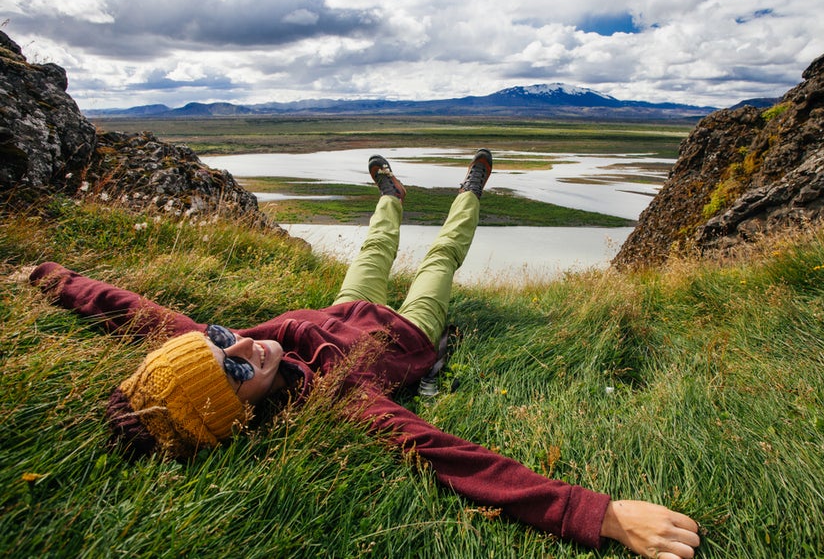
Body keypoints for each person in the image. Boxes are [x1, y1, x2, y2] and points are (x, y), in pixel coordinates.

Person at [26, 150, 700, 559]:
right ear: (236, 414)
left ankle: (390, 198)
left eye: (219, 337)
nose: (245, 344)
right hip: (408, 328)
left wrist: (46, 275)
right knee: (440, 258)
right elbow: (446, 455)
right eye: (237, 368)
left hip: (346, 305)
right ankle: (469, 192)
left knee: (375, 248)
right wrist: (602, 514)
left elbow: (133, 310)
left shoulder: (224, 349)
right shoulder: (334, 400)